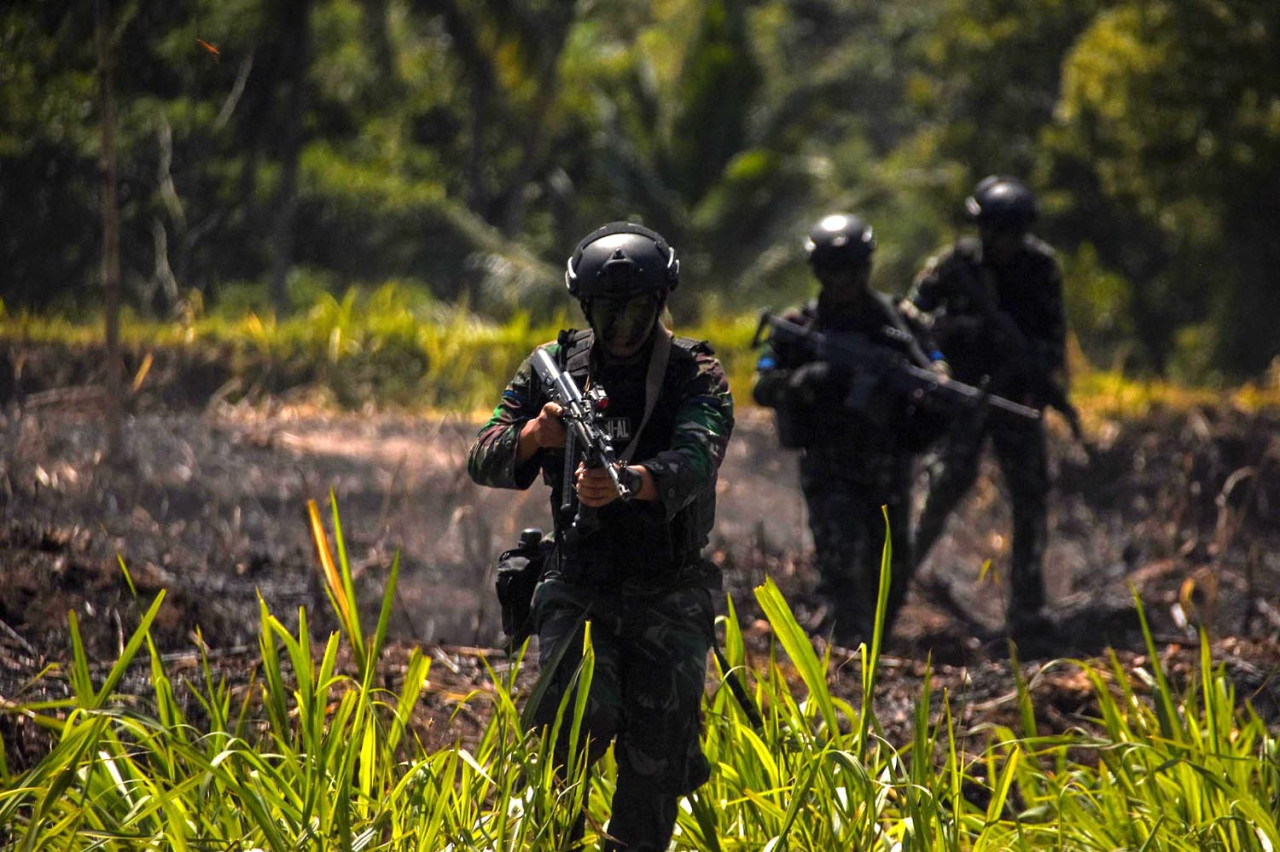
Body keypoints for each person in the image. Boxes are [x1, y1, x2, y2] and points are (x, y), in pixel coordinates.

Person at [467, 221, 734, 851]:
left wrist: (633, 482)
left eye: (635, 312)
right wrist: (536, 435)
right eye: (607, 312)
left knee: (656, 765)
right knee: (574, 725)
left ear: (659, 306)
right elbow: (483, 455)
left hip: (667, 591)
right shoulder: (554, 368)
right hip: (579, 584)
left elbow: (700, 457)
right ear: (586, 307)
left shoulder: (694, 372)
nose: (620, 328)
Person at [752, 213, 948, 646]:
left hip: (888, 466)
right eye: (832, 271)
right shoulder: (800, 326)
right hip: (828, 467)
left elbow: (936, 366)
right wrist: (812, 379)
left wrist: (930, 386)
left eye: (851, 270)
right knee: (841, 567)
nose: (842, 281)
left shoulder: (898, 320)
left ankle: (876, 647)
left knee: (893, 570)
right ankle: (849, 653)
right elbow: (763, 384)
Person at [902, 175, 1068, 635]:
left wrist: (1034, 372)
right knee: (944, 486)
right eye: (995, 230)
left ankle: (1026, 609)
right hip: (962, 394)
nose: (1003, 242)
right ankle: (893, 587)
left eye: (1011, 232)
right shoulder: (956, 266)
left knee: (1031, 494)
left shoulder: (1040, 269)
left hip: (1015, 397)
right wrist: (953, 334)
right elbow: (908, 316)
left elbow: (1052, 343)